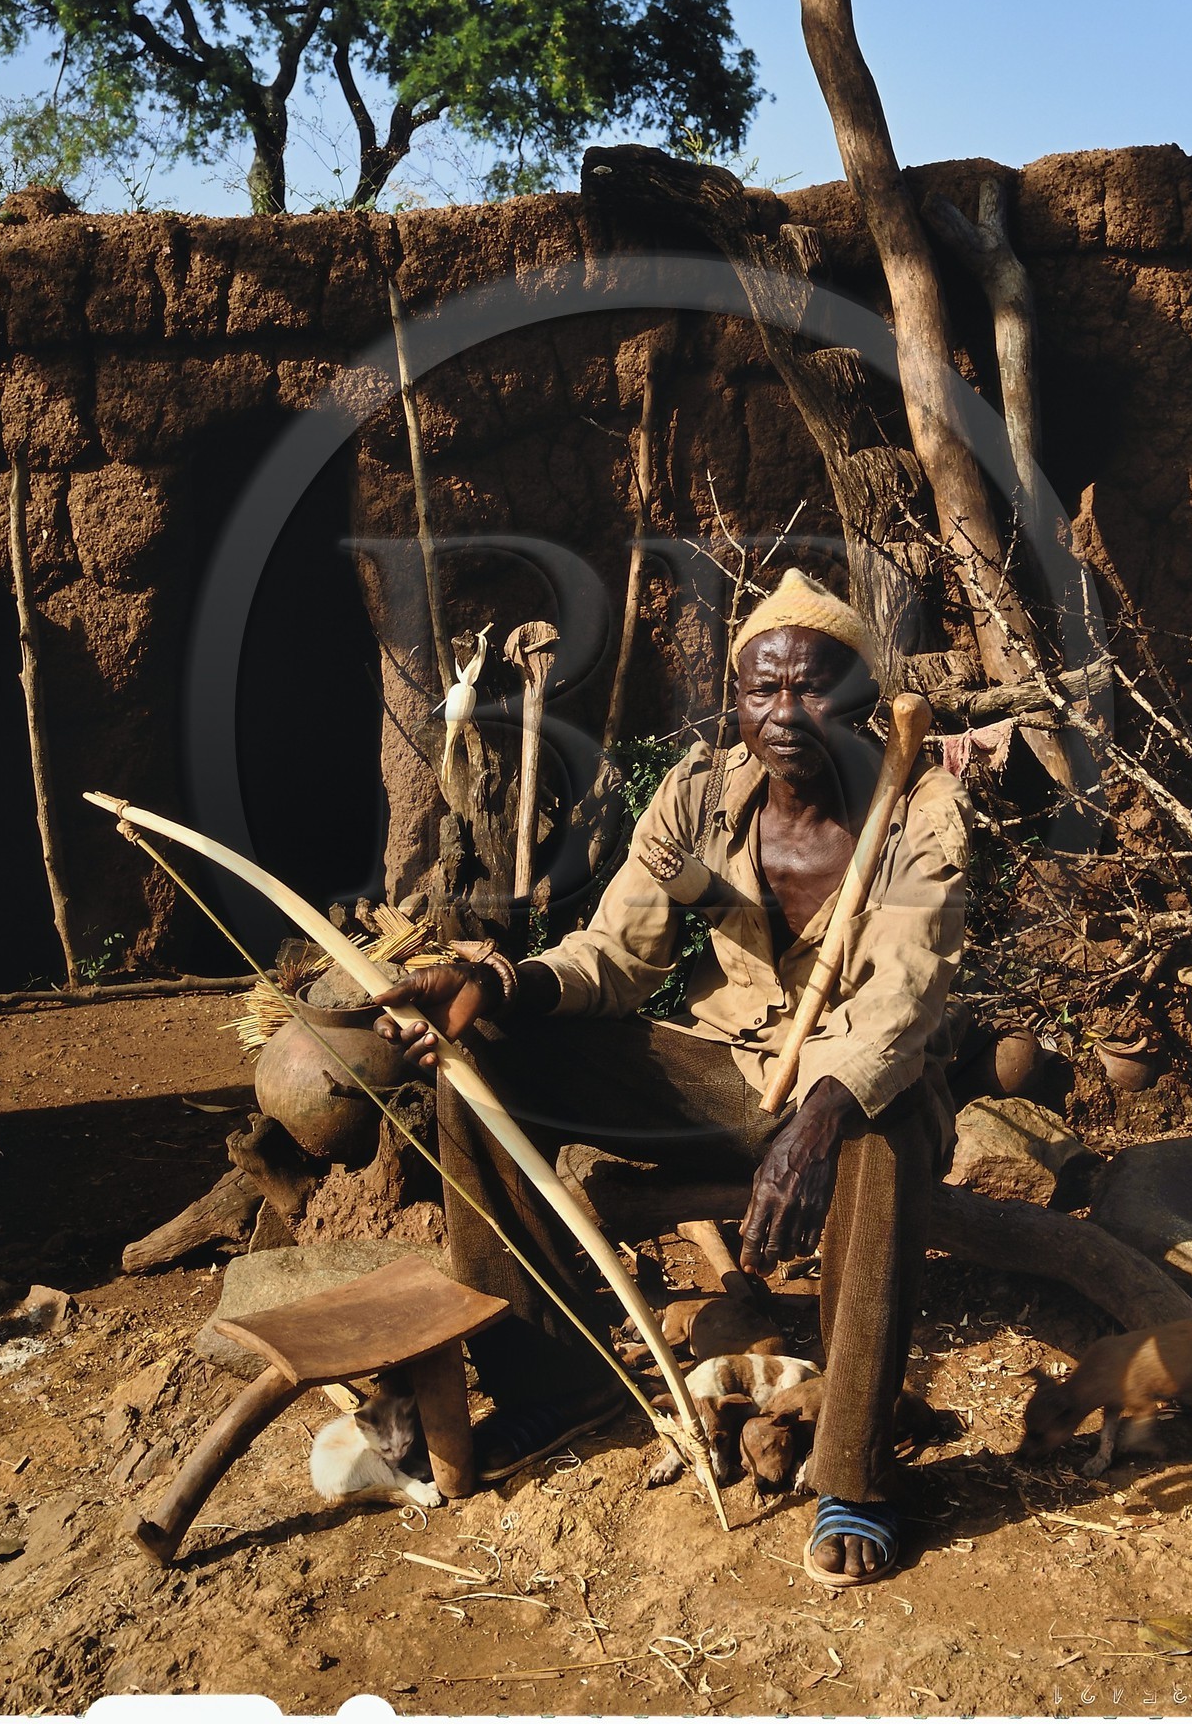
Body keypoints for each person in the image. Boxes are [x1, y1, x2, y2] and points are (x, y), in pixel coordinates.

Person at [376, 570, 973, 1585]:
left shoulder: (920, 806)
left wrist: (820, 1114)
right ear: (734, 700)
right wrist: (503, 978)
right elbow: (613, 956)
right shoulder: (699, 792)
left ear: (862, 700)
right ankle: (556, 1369)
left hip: (848, 1083)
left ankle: (854, 1471)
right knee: (481, 1052)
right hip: (718, 1067)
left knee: (884, 1120)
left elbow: (902, 1000)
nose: (783, 714)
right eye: (760, 690)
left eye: (811, 688)